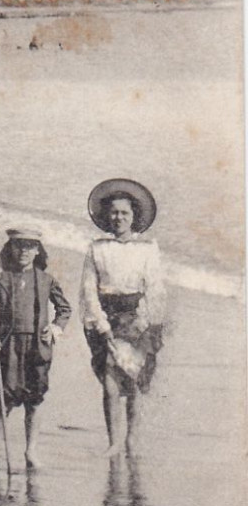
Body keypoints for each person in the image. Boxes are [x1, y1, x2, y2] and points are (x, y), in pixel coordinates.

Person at [80, 178, 166, 455]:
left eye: (124, 213)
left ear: (134, 216)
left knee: (134, 379)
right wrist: (101, 323)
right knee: (109, 381)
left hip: (136, 318)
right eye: (114, 212)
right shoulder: (97, 248)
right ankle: (114, 441)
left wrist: (149, 321)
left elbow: (155, 288)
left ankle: (131, 440)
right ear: (106, 214)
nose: (119, 218)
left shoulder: (147, 248)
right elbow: (88, 290)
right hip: (105, 317)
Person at [0, 225, 71, 466]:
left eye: (29, 246)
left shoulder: (46, 280)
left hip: (37, 346)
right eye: (18, 245)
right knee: (5, 400)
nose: (23, 251)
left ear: (37, 251)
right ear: (9, 248)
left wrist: (55, 328)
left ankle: (31, 451)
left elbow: (65, 309)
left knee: (34, 400)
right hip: (8, 346)